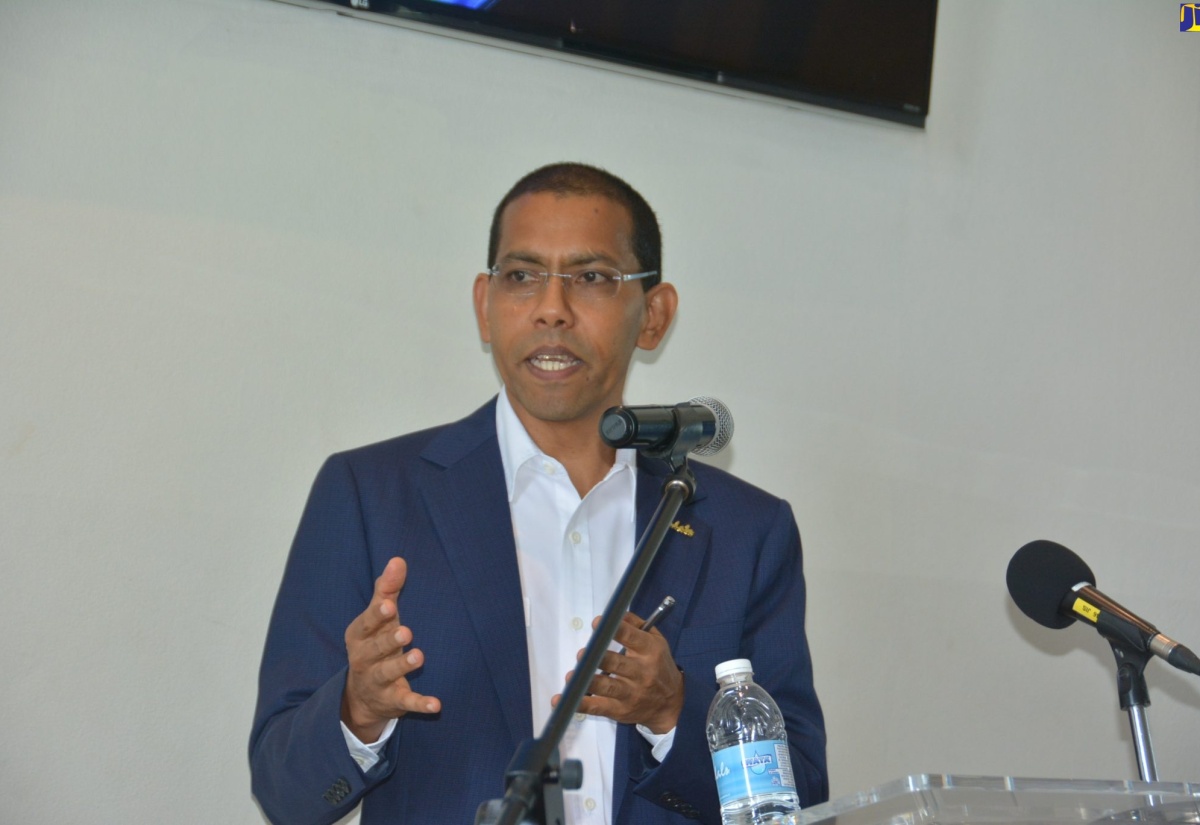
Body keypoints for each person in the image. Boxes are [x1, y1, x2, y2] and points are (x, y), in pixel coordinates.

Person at [249, 163, 827, 825]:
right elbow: (284, 791)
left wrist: (673, 709)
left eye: (591, 278)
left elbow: (803, 798)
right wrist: (357, 711)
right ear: (484, 305)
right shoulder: (372, 495)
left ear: (654, 315)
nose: (552, 308)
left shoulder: (744, 530)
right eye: (521, 276)